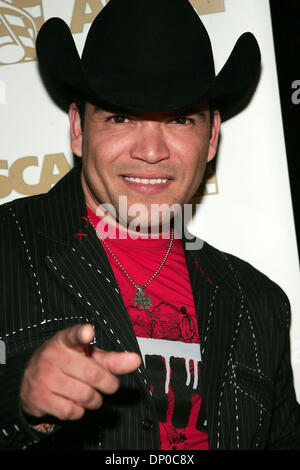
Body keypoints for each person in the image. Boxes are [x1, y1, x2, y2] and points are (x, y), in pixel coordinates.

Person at [0, 0, 299, 451]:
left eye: (180, 119)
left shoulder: (260, 304)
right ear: (79, 128)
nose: (152, 150)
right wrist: (18, 401)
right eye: (120, 117)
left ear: (212, 135)